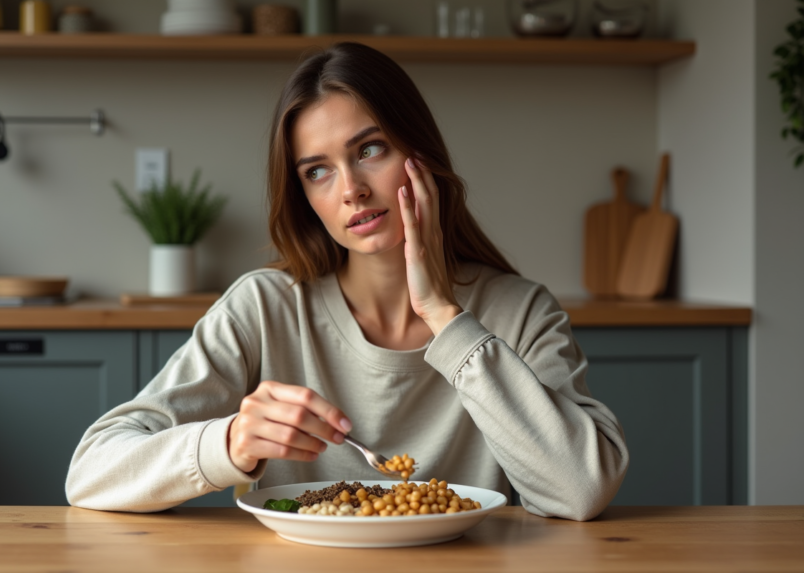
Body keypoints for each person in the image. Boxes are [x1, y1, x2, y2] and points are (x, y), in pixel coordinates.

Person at [66, 42, 628, 521]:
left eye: (371, 149)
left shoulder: (521, 311)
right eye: (318, 171)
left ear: (421, 153)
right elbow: (91, 472)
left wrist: (444, 317)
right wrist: (230, 443)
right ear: (305, 198)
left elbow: (581, 490)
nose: (351, 189)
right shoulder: (264, 307)